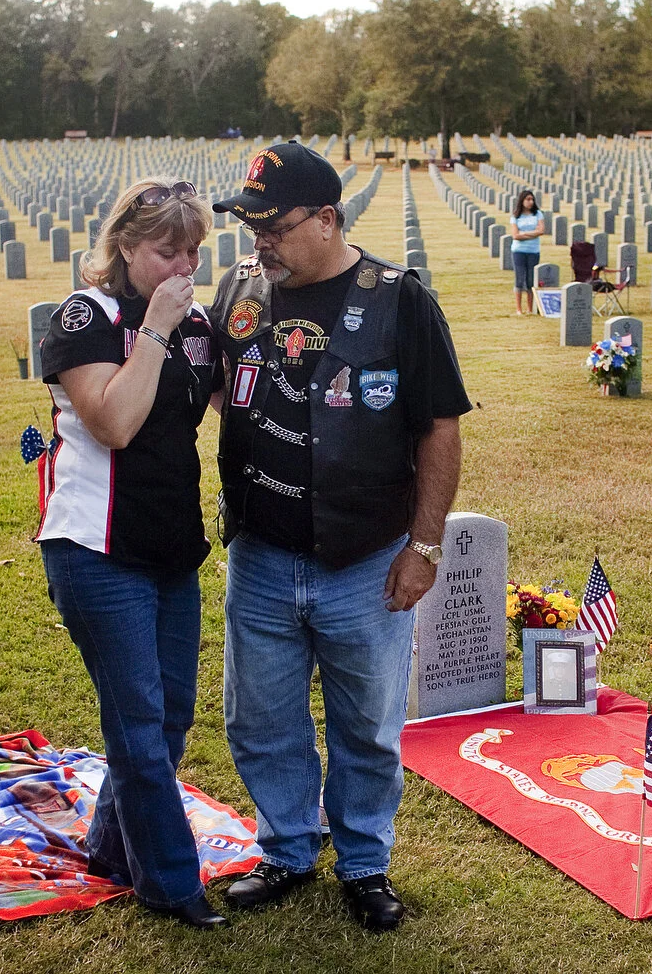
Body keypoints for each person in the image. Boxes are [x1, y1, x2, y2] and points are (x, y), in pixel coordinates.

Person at [208, 141, 471, 932]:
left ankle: (363, 862)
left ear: (327, 218)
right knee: (259, 716)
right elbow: (223, 389)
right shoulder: (240, 293)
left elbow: (439, 429)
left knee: (367, 723)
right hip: (261, 553)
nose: (260, 243)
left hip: (366, 561)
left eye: (274, 226)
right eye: (250, 226)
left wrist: (424, 549)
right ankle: (289, 849)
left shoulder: (398, 300)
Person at [35, 177, 228, 930]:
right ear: (123, 245)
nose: (183, 266)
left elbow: (225, 404)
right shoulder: (86, 316)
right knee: (139, 728)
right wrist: (155, 329)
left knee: (171, 717)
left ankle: (113, 845)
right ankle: (172, 883)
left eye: (193, 251)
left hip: (170, 547)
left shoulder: (197, 319)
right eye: (165, 250)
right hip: (94, 549)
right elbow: (113, 422)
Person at [509, 189, 545, 315]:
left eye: (532, 199)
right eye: (528, 199)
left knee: (531, 280)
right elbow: (515, 235)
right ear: (522, 201)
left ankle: (530, 309)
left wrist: (524, 233)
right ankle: (519, 309)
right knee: (519, 280)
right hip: (519, 251)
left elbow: (541, 231)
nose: (530, 202)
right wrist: (532, 233)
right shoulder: (516, 216)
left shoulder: (538, 214)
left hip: (533, 251)